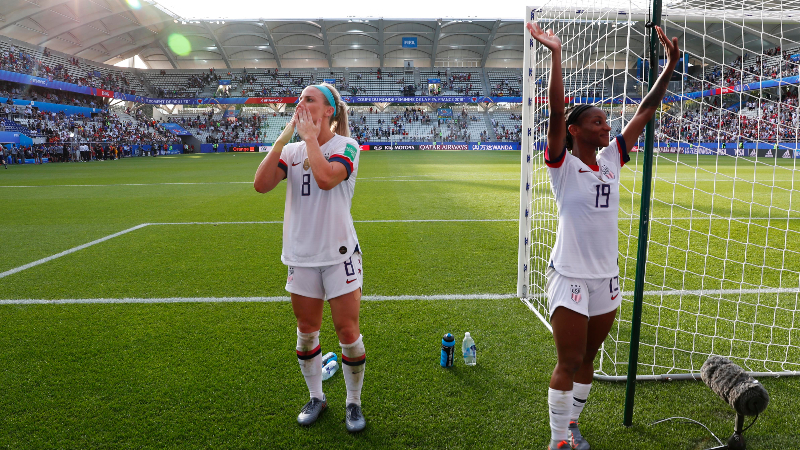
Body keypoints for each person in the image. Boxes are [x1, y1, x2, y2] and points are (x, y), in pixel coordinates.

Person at [527, 21, 680, 450]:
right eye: (596, 122)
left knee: (590, 358)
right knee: (568, 359)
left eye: (605, 121)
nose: (605, 126)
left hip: (606, 277)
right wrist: (556, 54)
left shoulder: (612, 158)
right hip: (570, 274)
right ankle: (558, 441)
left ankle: (573, 424)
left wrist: (668, 66)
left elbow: (645, 111)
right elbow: (557, 112)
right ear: (575, 131)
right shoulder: (562, 163)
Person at [253, 83, 366, 433]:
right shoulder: (293, 150)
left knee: (347, 331)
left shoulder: (346, 145)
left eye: (309, 100)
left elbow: (327, 177)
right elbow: (260, 184)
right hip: (300, 256)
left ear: (328, 110)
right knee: (306, 332)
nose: (301, 104)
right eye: (299, 99)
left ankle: (353, 403)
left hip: (339, 255)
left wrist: (310, 140)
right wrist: (286, 135)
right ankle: (317, 396)